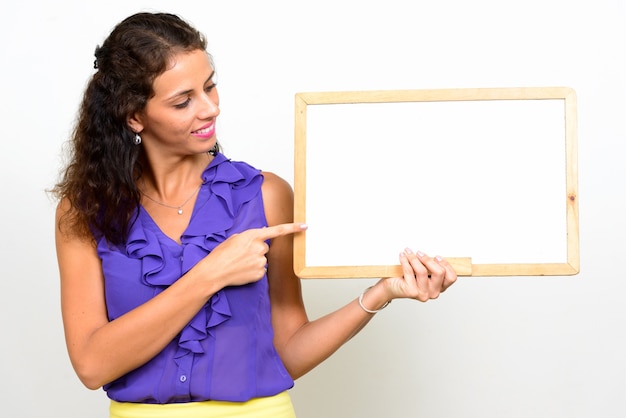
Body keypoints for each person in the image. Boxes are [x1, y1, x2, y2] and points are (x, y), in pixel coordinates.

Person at [52, 11, 457, 418]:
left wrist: (380, 293)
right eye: (183, 101)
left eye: (210, 86)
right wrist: (212, 274)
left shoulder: (266, 195)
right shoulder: (84, 210)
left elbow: (288, 350)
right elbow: (92, 365)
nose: (210, 109)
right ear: (134, 116)